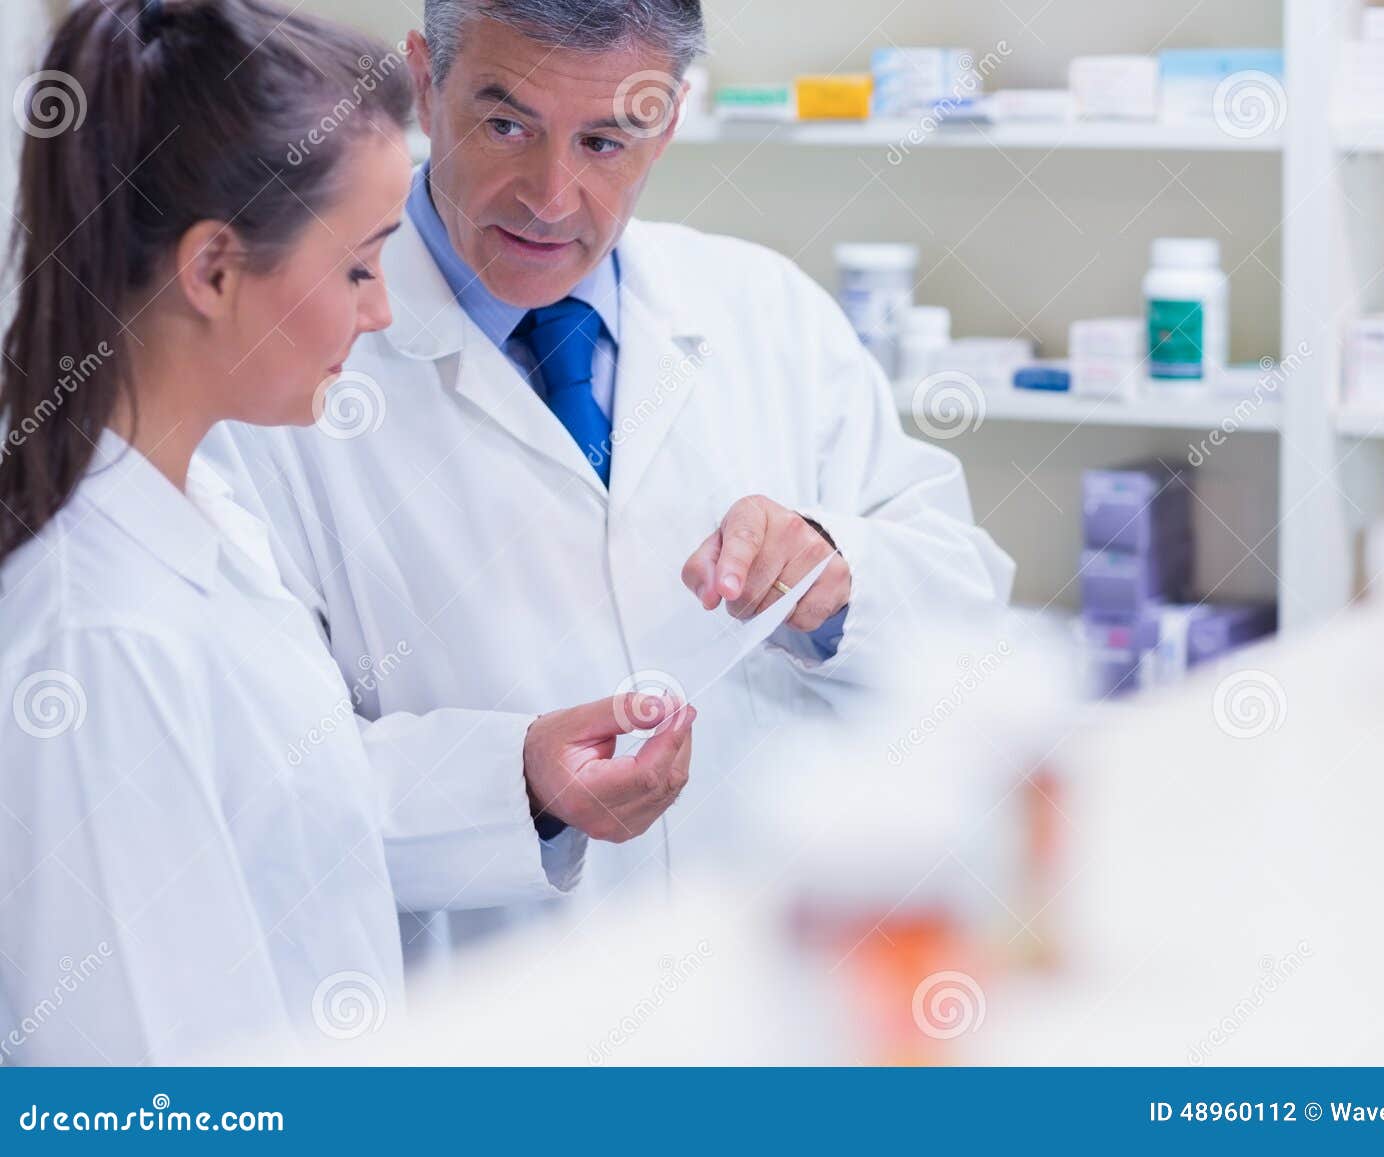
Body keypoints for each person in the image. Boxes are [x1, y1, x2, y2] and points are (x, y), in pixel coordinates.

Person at [205, 0, 1015, 959]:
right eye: (506, 125)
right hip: (490, 1013)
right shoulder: (274, 375)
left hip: (767, 982)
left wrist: (836, 580)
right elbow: (252, 778)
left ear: (667, 121)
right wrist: (518, 785)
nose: (551, 198)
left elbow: (968, 618)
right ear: (425, 82)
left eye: (604, 141)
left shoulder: (768, 312)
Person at [0, 0, 693, 1065]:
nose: (380, 312)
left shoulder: (205, 528)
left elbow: (296, 805)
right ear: (215, 270)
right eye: (362, 266)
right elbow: (129, 1099)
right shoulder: (98, 636)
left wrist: (521, 774)